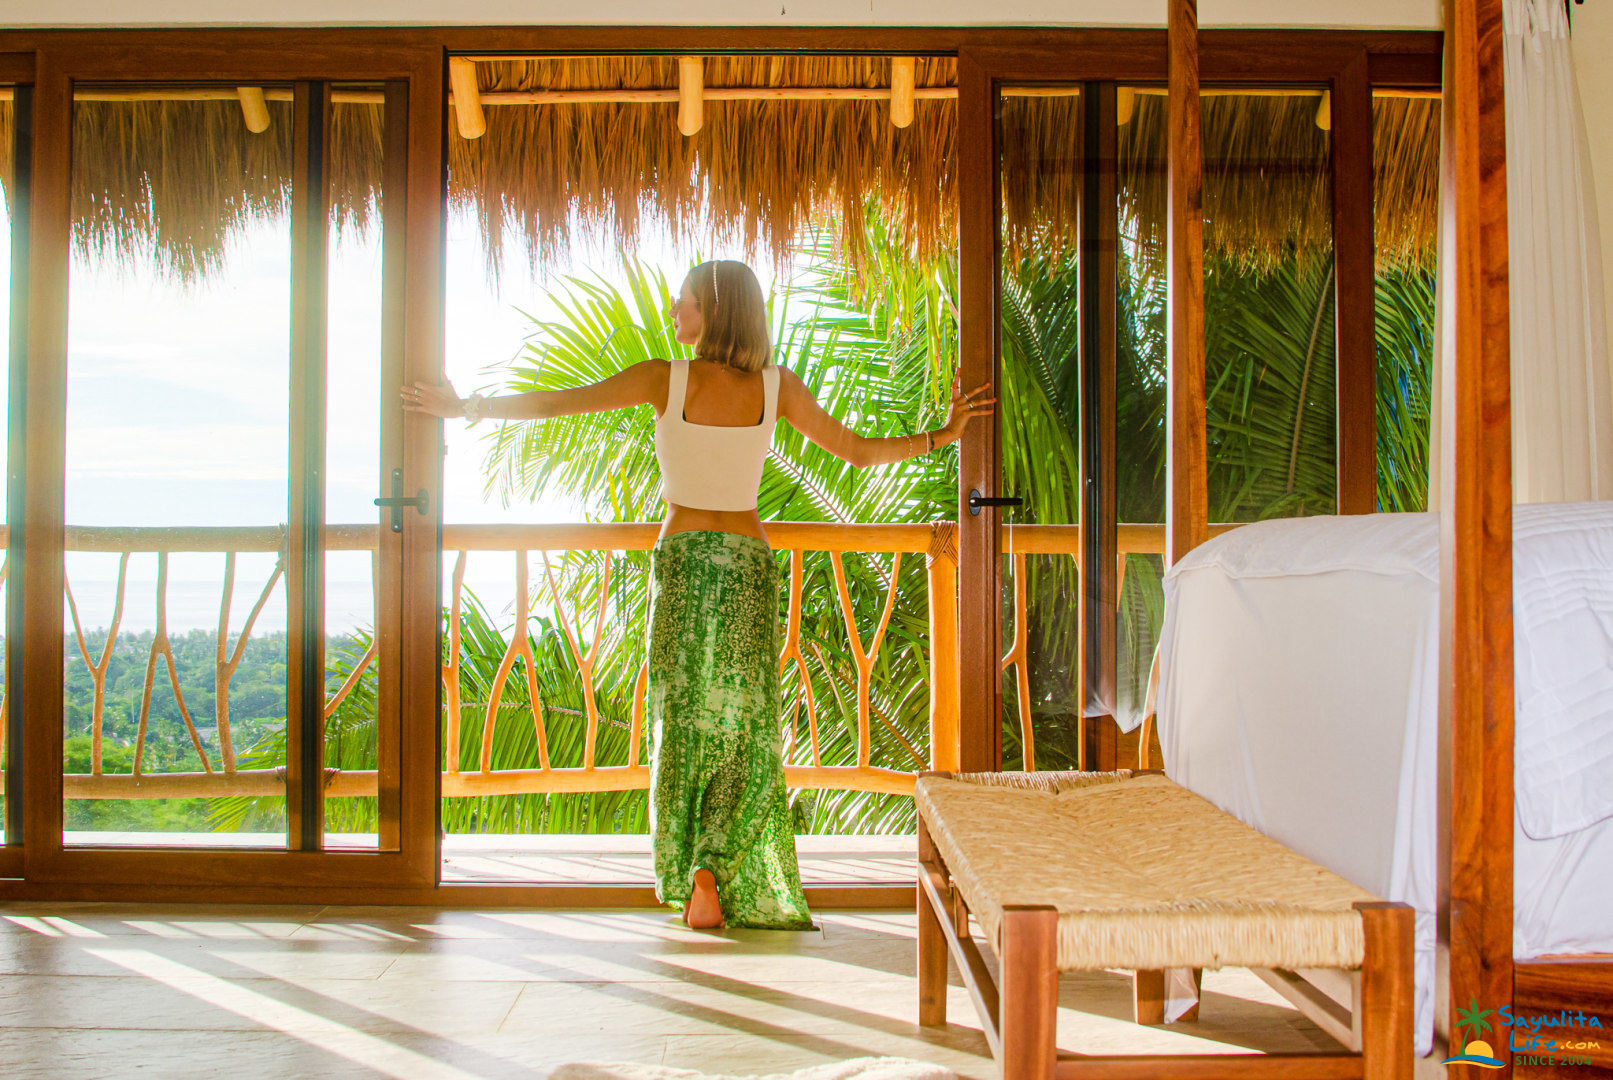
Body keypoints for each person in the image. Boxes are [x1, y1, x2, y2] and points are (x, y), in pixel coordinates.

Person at [402, 259, 994, 929]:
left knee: (681, 722)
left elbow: (559, 402)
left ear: (713, 310)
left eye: (682, 301)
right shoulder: (775, 386)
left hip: (684, 564)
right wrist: (942, 436)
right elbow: (856, 452)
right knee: (744, 727)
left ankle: (692, 876)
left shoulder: (664, 378)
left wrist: (463, 408)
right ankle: (716, 866)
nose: (673, 312)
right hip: (745, 564)